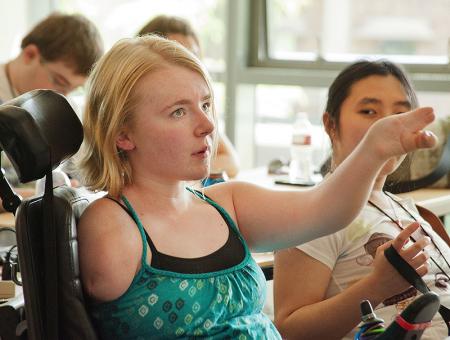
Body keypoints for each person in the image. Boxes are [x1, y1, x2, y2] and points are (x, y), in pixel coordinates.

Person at [77, 37, 436, 339]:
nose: (206, 125)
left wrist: (374, 148)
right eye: (178, 112)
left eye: (205, 104)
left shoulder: (227, 202)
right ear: (122, 134)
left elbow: (328, 211)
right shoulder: (110, 224)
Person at [274, 60, 450, 340]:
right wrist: (377, 285)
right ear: (331, 125)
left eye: (401, 112)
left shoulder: (407, 209)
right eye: (369, 111)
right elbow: (289, 330)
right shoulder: (312, 212)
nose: (389, 125)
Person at [0, 12, 103, 210]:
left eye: (73, 89)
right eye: (59, 82)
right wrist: (37, 196)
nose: (63, 95)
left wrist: (73, 188)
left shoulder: (63, 106)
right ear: (30, 55)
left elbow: (87, 174)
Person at [137, 14, 240, 179]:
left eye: (193, 56)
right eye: (178, 55)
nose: (188, 64)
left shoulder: (197, 104)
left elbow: (231, 161)